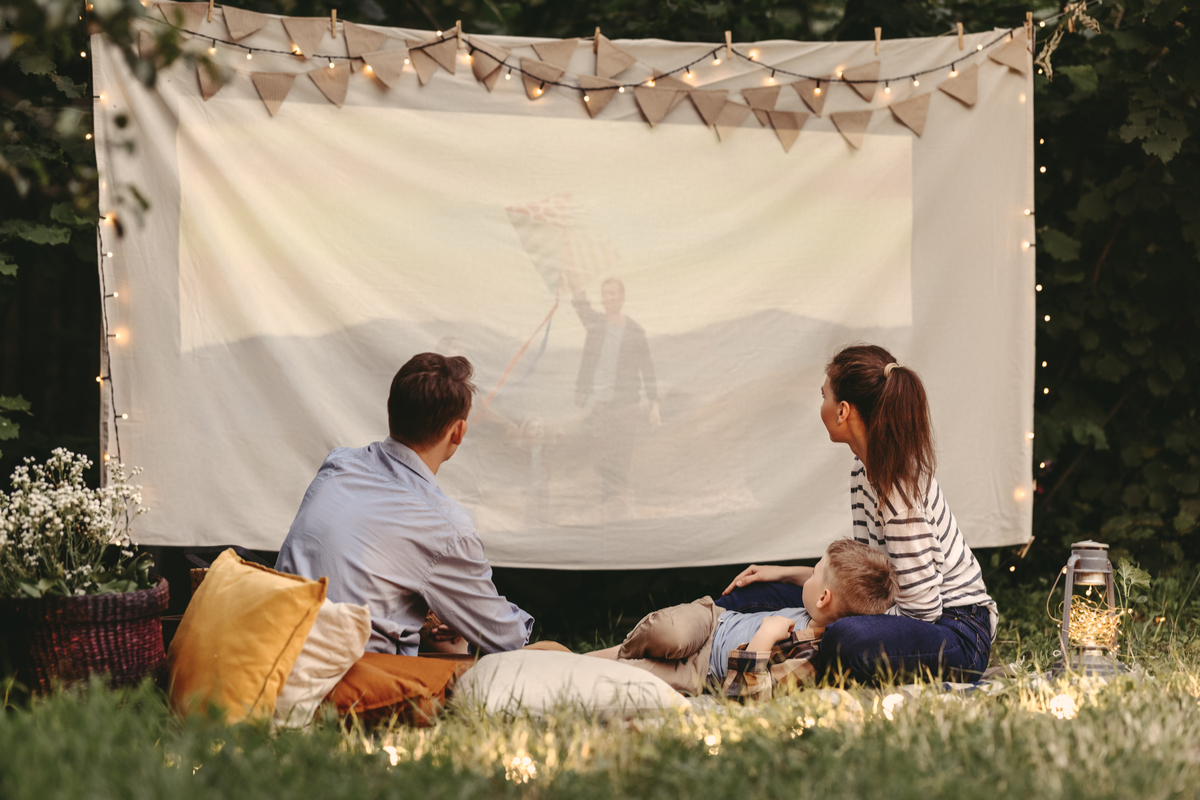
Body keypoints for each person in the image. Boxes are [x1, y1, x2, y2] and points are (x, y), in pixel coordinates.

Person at [718, 344, 997, 684]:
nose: (821, 405)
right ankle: (697, 641)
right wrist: (790, 574)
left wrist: (831, 619)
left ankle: (764, 667)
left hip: (956, 632)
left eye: (824, 397)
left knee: (845, 639)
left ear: (843, 411)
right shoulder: (861, 470)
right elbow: (867, 578)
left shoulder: (898, 491)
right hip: (901, 608)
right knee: (751, 597)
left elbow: (924, 610)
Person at [276, 353, 533, 656]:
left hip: (273, 643)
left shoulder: (339, 462)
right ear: (458, 431)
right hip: (348, 677)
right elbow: (506, 639)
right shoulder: (445, 525)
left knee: (445, 641)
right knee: (533, 654)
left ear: (390, 409)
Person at [587, 540, 897, 697]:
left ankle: (584, 660)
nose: (808, 574)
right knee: (670, 633)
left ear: (823, 598)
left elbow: (749, 696)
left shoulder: (809, 656)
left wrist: (763, 638)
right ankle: (617, 652)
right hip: (713, 622)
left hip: (705, 674)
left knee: (631, 676)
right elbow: (825, 584)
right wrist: (787, 573)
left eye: (814, 571)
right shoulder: (823, 608)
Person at [568, 274, 660, 508]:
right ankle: (610, 495)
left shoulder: (635, 331)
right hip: (602, 403)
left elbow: (647, 368)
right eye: (605, 293)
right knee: (601, 453)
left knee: (623, 453)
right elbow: (580, 303)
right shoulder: (596, 324)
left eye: (613, 293)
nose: (608, 298)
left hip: (627, 403)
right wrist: (570, 274)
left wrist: (654, 404)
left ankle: (617, 501)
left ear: (621, 297)